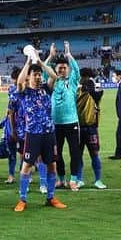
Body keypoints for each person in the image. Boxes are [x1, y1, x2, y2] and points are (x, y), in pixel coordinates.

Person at [13, 53, 68, 212]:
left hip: (49, 133)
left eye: (38, 75)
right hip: (33, 134)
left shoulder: (46, 89)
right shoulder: (24, 91)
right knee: (26, 167)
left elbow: (54, 76)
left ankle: (50, 197)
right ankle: (22, 199)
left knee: (52, 165)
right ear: (29, 76)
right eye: (34, 74)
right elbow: (19, 81)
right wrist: (29, 61)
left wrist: (41, 64)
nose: (37, 77)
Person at [46, 42, 81, 191]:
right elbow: (44, 70)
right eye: (59, 67)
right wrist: (50, 56)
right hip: (56, 124)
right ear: (55, 69)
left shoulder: (72, 82)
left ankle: (73, 180)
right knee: (57, 153)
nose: (61, 69)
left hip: (72, 122)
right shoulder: (52, 82)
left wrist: (68, 55)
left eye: (64, 67)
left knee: (74, 152)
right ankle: (61, 179)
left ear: (67, 69)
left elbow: (77, 70)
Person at [76, 68, 106, 189]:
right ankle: (79, 179)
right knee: (78, 155)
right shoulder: (76, 91)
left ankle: (98, 180)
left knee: (94, 154)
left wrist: (90, 88)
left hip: (90, 126)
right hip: (78, 127)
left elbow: (98, 95)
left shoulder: (95, 91)